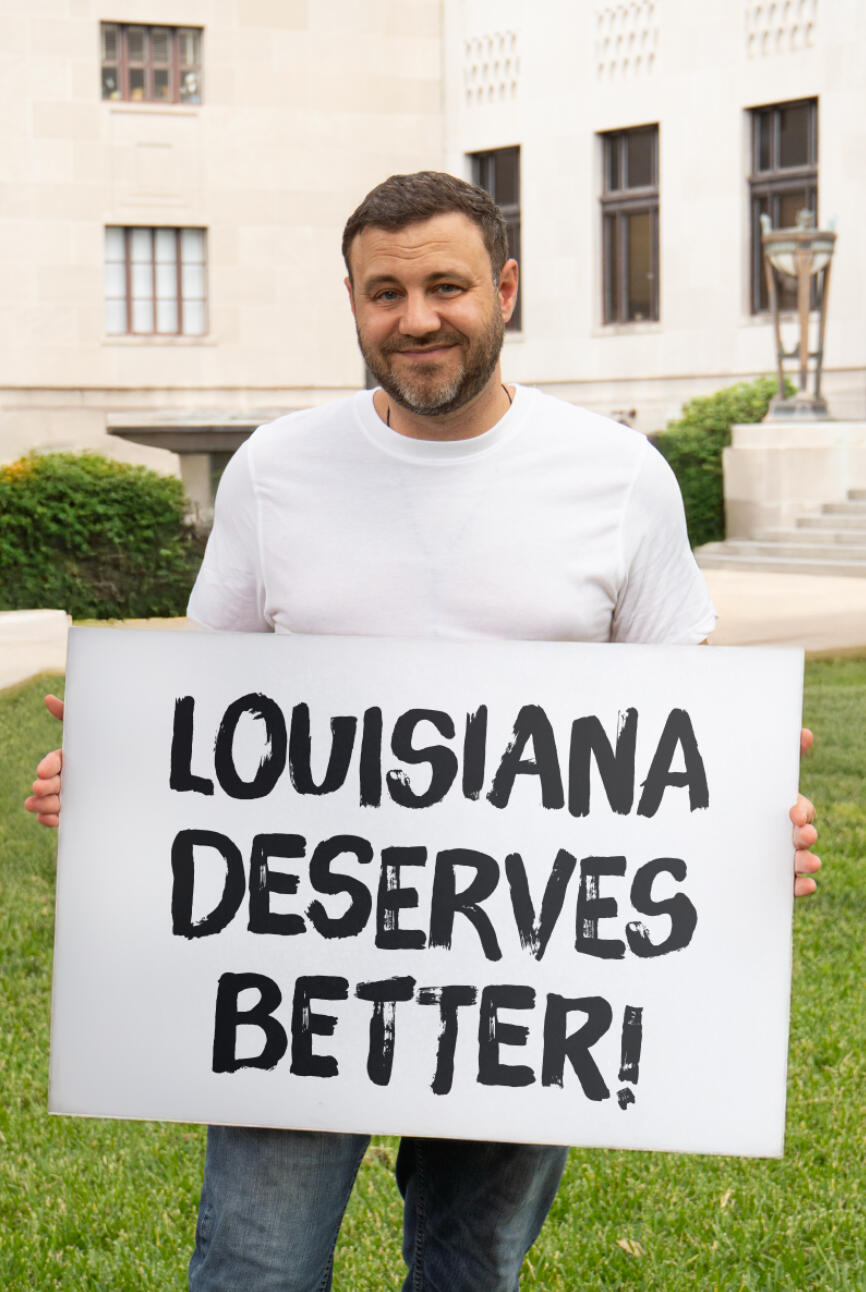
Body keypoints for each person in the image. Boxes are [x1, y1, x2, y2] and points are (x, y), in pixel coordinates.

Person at [26, 171, 821, 1291]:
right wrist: (114, 779)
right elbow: (205, 704)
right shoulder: (273, 470)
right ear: (350, 301)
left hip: (526, 977)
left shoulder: (617, 477)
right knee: (253, 1264)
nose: (415, 319)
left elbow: (672, 733)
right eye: (382, 292)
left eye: (445, 285)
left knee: (470, 1267)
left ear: (502, 288)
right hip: (299, 973)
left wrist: (742, 825)